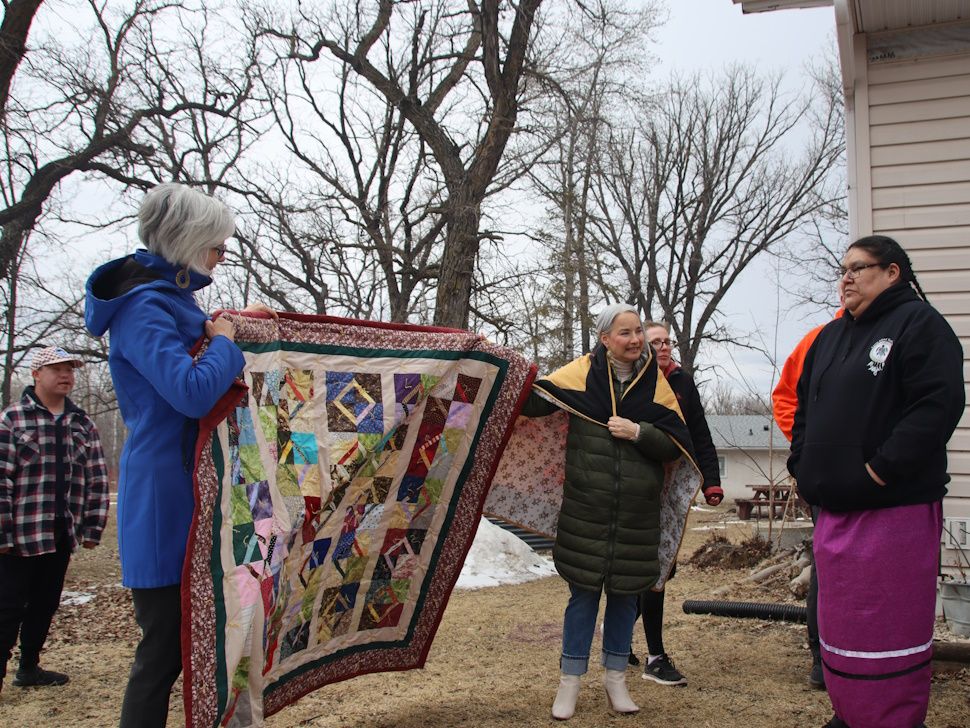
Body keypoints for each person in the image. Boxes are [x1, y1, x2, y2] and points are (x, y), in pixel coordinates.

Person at [85, 183, 271, 728]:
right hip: (168, 496)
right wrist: (225, 339)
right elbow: (190, 390)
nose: (222, 254)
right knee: (163, 652)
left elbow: (199, 348)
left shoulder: (170, 301)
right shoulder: (143, 308)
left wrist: (227, 326)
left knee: (204, 645)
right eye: (216, 245)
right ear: (187, 241)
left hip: (195, 491)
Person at [788, 235, 964, 728]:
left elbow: (936, 407)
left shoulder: (920, 326)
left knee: (882, 628)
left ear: (893, 273)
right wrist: (801, 467)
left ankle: (889, 719)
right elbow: (804, 409)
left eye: (857, 268)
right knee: (842, 628)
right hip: (833, 510)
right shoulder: (829, 336)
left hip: (892, 509)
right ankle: (850, 713)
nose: (845, 278)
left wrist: (877, 470)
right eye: (842, 269)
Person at [520, 303, 697, 720]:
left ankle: (616, 680)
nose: (636, 340)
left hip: (638, 515)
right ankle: (570, 683)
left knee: (624, 599)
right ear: (604, 339)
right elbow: (532, 403)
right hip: (587, 513)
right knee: (582, 597)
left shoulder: (657, 385)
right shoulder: (579, 377)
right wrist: (504, 369)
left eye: (638, 331)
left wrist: (640, 433)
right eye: (625, 333)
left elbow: (677, 444)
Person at [0, 346, 109, 692]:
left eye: (70, 370)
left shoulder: (82, 423)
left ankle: (29, 667)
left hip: (60, 534)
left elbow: (96, 478)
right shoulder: (13, 419)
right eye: (56, 369)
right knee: (7, 608)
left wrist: (92, 527)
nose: (66, 375)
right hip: (19, 537)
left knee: (45, 604)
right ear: (36, 375)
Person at [632, 321, 722, 687]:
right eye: (656, 342)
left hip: (675, 487)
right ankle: (654, 657)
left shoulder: (683, 383)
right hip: (641, 484)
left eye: (667, 341)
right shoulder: (634, 381)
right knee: (654, 567)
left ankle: (620, 636)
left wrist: (712, 481)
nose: (664, 347)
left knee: (661, 567)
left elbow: (699, 432)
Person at [772, 305, 843, 691]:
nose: (850, 281)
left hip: (884, 477)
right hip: (827, 476)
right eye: (846, 273)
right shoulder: (819, 339)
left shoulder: (902, 332)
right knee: (827, 561)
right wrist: (805, 450)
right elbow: (784, 397)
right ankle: (822, 656)